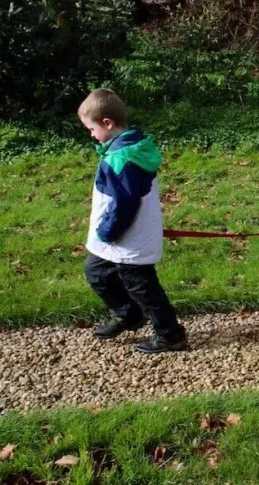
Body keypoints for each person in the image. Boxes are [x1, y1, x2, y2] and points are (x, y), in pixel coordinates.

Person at [78, 88, 188, 353]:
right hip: (116, 235)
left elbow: (125, 203)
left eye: (92, 129)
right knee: (97, 271)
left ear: (108, 123)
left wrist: (107, 230)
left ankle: (170, 335)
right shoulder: (121, 149)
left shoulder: (122, 159)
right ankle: (128, 314)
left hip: (126, 237)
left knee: (143, 287)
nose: (92, 135)